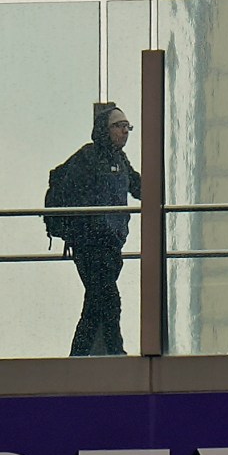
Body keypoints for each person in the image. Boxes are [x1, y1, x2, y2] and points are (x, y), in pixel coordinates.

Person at [47, 102, 140, 356]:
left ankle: (78, 358)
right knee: (108, 299)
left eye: (127, 127)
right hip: (89, 244)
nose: (125, 131)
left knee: (97, 302)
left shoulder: (120, 160)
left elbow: (138, 187)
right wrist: (81, 230)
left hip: (111, 244)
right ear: (105, 129)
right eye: (119, 126)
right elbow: (71, 193)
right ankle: (114, 353)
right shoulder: (87, 158)